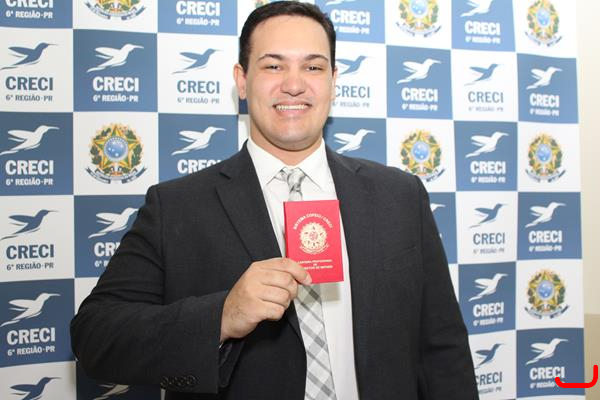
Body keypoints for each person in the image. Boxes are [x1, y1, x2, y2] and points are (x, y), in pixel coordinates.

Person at [71, 2, 478, 399]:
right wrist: (221, 316)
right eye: (273, 66)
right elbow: (94, 337)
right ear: (242, 80)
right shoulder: (176, 206)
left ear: (333, 80)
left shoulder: (400, 195)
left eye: (313, 67)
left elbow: (443, 349)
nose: (294, 84)